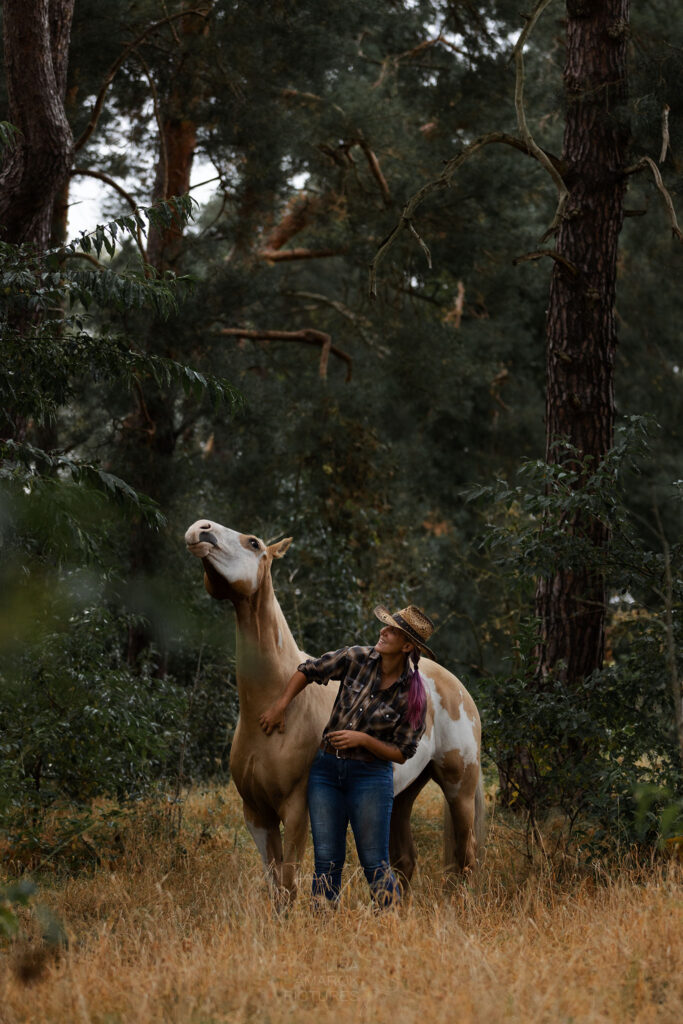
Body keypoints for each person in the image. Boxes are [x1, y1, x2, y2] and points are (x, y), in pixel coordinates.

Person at [259, 604, 436, 909]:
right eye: (386, 626)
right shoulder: (356, 657)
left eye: (392, 630)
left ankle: (391, 926)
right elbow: (308, 670)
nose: (383, 631)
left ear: (407, 646)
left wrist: (363, 739)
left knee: (374, 862)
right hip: (326, 772)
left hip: (370, 777)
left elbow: (403, 753)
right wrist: (280, 705)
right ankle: (323, 930)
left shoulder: (414, 694)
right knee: (326, 860)